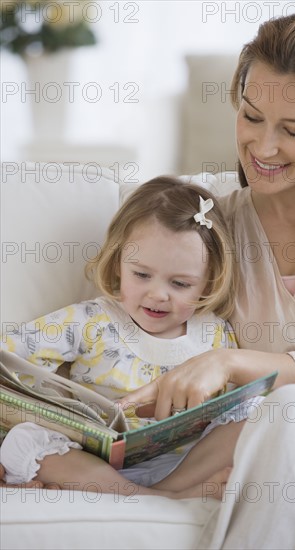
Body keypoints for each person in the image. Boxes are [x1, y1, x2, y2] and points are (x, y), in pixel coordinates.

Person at [119, 12, 295, 549]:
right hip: (276, 460)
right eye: (251, 117)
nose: (264, 148)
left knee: (294, 406)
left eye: (294, 131)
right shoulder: (207, 225)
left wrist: (234, 362)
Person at [0, 176, 253, 499]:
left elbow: (230, 408)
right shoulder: (92, 320)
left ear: (207, 282)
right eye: (142, 275)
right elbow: (11, 359)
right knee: (24, 439)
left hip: (182, 465)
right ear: (119, 263)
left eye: (180, 284)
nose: (158, 294)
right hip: (93, 466)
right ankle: (159, 498)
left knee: (255, 412)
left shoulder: (215, 333)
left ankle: (163, 492)